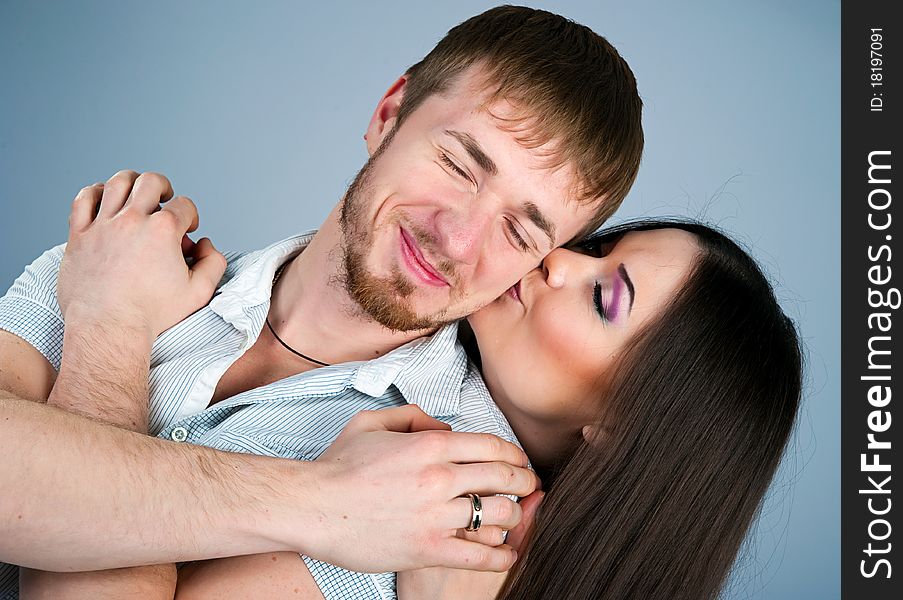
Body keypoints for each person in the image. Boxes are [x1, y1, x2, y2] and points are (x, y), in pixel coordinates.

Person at [0, 5, 644, 599]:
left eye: (518, 231)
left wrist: (107, 329)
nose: (457, 237)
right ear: (389, 113)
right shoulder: (119, 263)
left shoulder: (446, 483)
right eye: (458, 165)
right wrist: (323, 500)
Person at [167, 220, 802, 599]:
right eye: (601, 247)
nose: (557, 259)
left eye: (603, 298)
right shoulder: (387, 325)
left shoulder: (440, 525)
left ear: (621, 429)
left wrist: (106, 330)